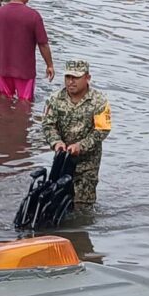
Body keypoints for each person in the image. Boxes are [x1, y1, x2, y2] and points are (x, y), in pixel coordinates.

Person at [42, 60, 112, 206]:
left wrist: (81, 146)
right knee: (57, 200)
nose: (70, 81)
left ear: (87, 78)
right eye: (68, 77)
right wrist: (56, 142)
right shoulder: (55, 99)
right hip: (62, 159)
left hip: (88, 163)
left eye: (75, 77)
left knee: (83, 204)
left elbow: (102, 130)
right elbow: (48, 125)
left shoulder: (99, 101)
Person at [0, 0, 55, 100]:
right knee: (25, 104)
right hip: (24, 71)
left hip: (2, 69)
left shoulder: (0, 13)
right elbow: (43, 44)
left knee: (4, 102)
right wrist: (49, 65)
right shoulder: (33, 16)